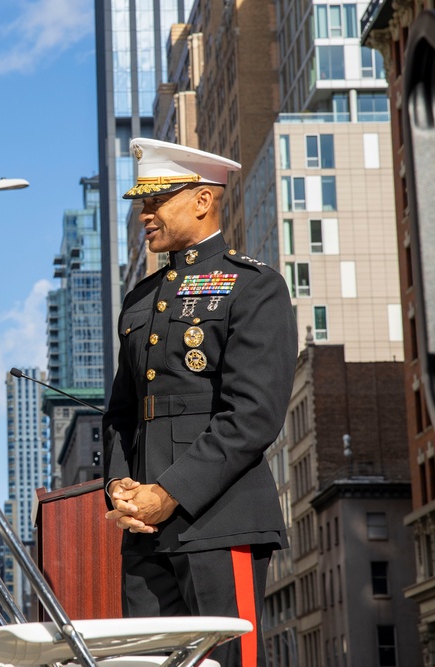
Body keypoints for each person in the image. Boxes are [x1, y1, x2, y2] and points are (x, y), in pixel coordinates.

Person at [102, 138, 297, 667]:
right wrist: (120, 485)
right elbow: (122, 414)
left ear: (202, 200)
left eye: (155, 200)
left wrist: (170, 492)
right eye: (142, 202)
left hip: (220, 518)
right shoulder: (141, 297)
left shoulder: (252, 286)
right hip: (143, 528)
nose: (144, 213)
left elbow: (253, 415)